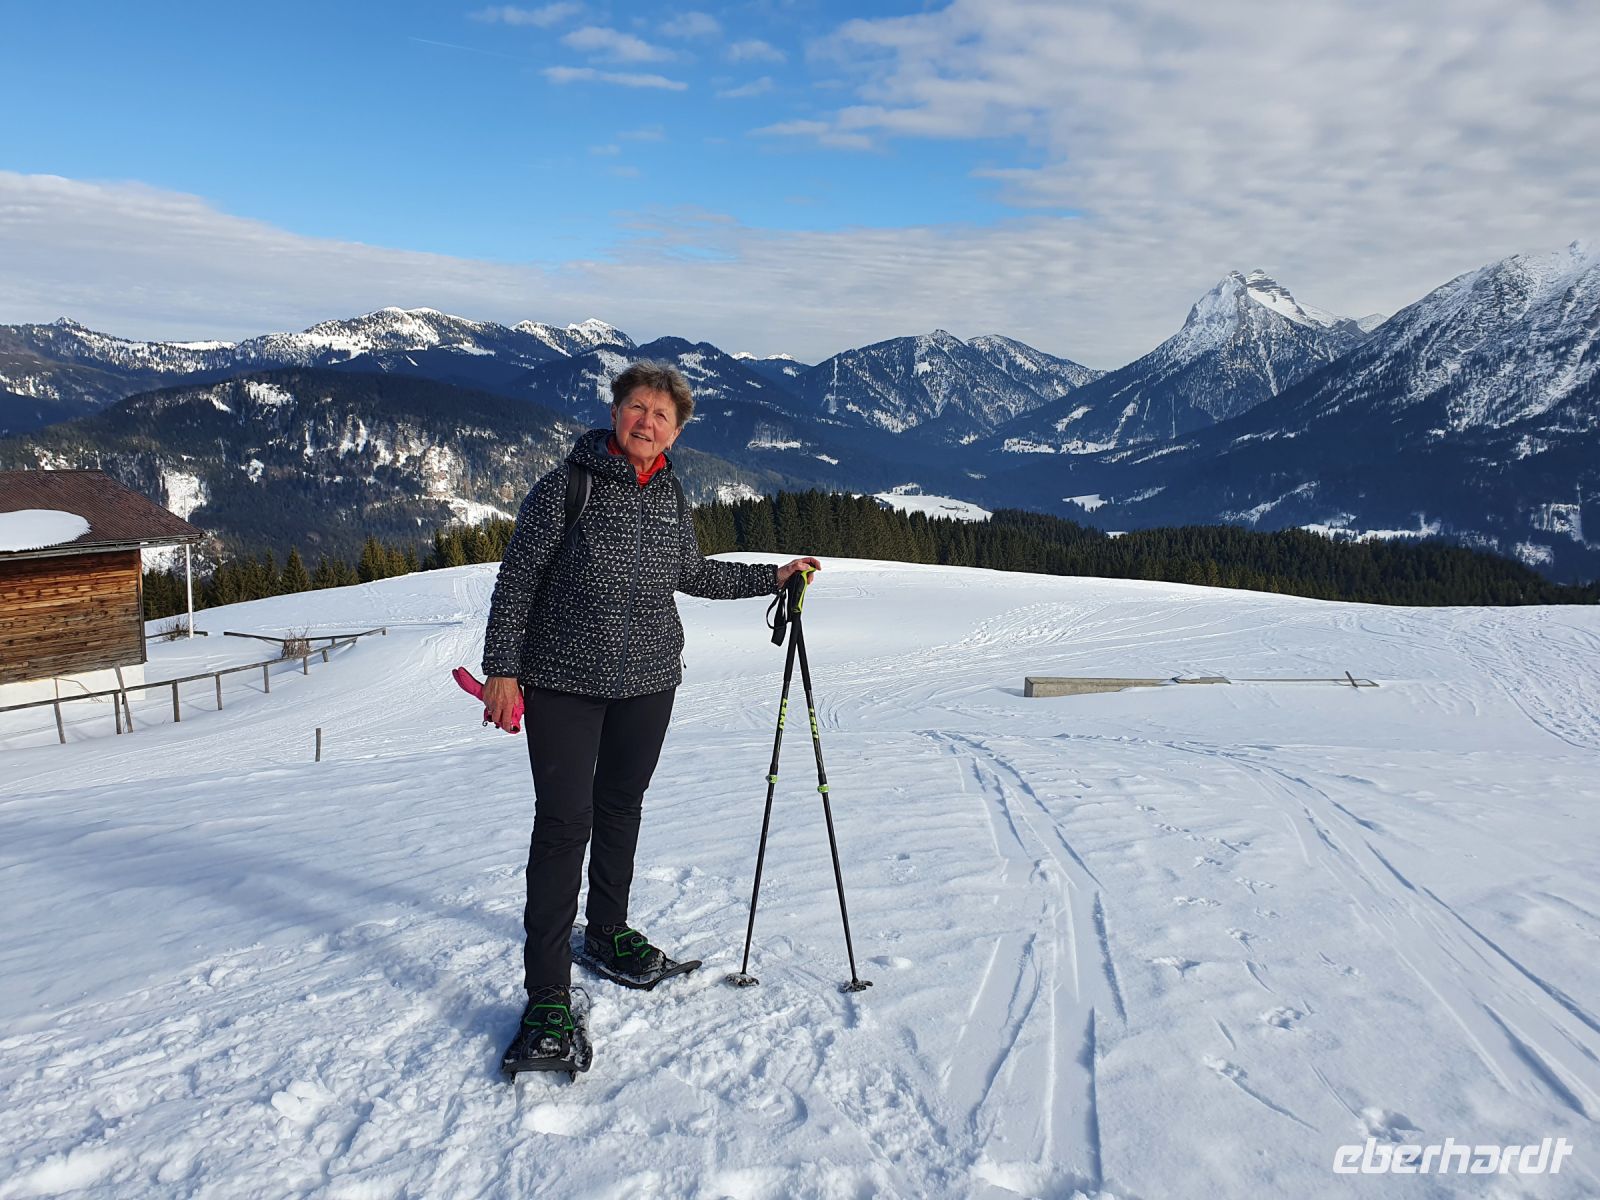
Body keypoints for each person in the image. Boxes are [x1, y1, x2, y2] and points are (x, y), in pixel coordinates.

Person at [481, 360, 820, 1074]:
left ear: (676, 432)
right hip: (564, 681)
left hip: (650, 680)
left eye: (661, 416)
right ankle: (547, 994)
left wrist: (773, 577)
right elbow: (517, 581)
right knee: (565, 823)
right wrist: (502, 671)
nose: (646, 421)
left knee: (622, 806)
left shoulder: (668, 492)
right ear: (615, 412)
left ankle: (605, 931)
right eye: (637, 407)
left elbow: (692, 572)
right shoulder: (564, 488)